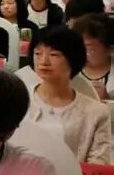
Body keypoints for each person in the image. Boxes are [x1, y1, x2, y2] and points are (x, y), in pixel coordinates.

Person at [25, 26, 110, 163]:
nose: (43, 61)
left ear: (73, 59)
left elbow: (99, 165)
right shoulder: (17, 100)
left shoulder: (97, 113)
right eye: (38, 53)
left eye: (54, 55)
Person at [73, 14, 112, 99]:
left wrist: (107, 99)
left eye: (90, 49)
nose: (81, 52)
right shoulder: (67, 70)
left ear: (110, 49)